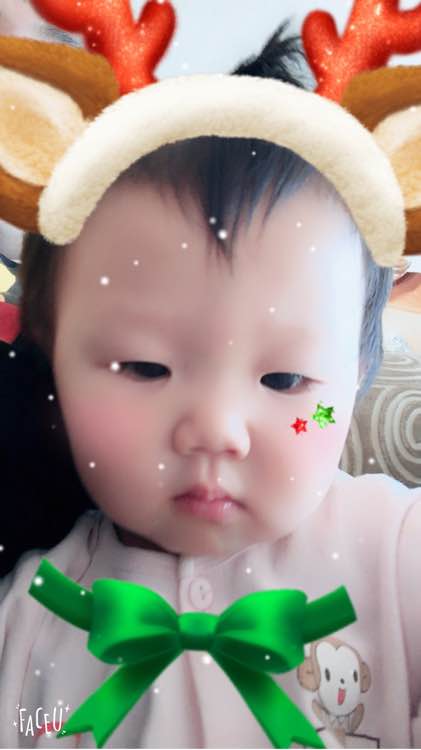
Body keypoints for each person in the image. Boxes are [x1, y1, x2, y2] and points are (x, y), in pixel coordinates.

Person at [0, 21, 420, 750]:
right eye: (144, 368)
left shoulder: (396, 554)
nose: (216, 429)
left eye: (285, 379)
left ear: (353, 381)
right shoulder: (28, 614)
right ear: (51, 359)